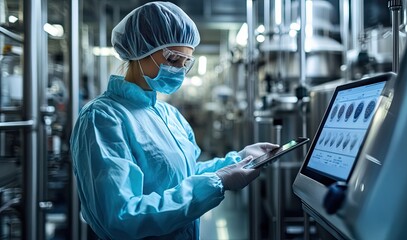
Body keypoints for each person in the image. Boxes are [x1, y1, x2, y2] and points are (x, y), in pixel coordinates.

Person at [70, 2, 278, 239]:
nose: (179, 70)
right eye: (172, 59)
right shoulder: (103, 118)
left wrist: (238, 159)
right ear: (141, 49)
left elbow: (184, 173)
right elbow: (122, 216)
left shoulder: (169, 115)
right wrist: (216, 183)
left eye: (185, 63)